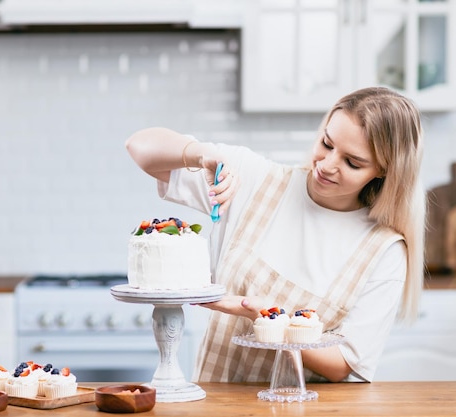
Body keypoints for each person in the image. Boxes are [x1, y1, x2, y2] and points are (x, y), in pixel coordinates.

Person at [125, 86, 425, 383]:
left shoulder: (383, 250)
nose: (327, 164)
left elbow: (343, 363)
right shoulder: (252, 180)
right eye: (327, 143)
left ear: (383, 170)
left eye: (352, 162)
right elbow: (138, 147)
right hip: (215, 404)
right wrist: (201, 154)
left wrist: (264, 317)